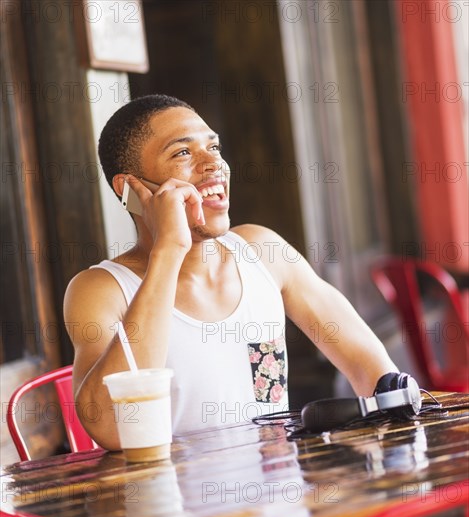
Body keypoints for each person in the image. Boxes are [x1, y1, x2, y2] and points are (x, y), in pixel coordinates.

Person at [64, 94, 399, 450]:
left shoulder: (262, 252)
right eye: (183, 153)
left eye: (215, 147)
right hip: (173, 504)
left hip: (282, 502)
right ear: (130, 189)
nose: (214, 164)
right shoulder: (102, 289)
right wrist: (169, 250)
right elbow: (112, 429)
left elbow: (373, 370)